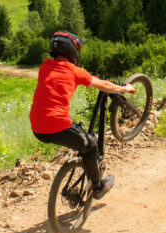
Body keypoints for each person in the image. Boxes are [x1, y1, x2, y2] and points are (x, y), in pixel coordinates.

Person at [30, 31, 134, 199]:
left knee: (78, 133)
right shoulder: (74, 71)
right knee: (91, 146)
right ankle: (97, 187)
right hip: (56, 126)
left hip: (37, 128)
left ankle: (82, 159)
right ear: (73, 52)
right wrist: (124, 89)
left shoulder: (44, 67)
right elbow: (104, 86)